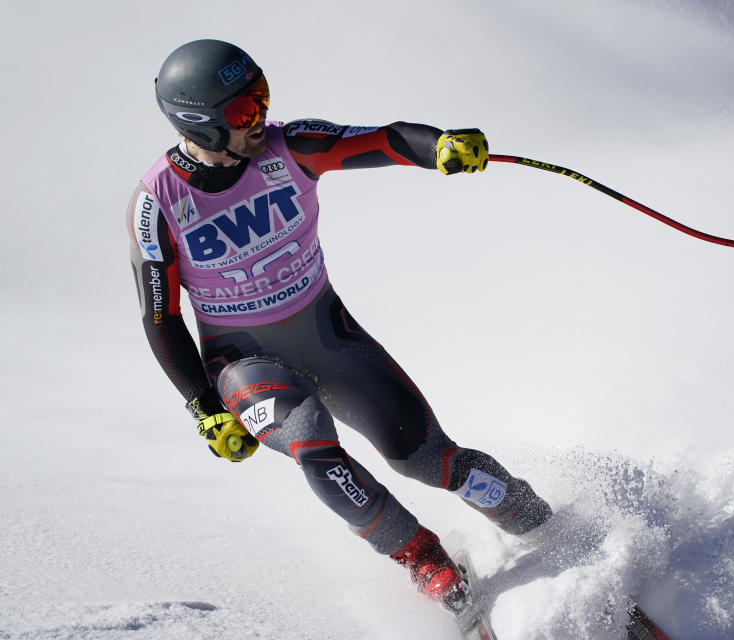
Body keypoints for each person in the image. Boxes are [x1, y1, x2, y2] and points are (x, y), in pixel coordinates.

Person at [126, 39, 552, 614]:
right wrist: (203, 408)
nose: (260, 118)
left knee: (427, 458)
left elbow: (382, 140)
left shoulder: (289, 147)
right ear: (199, 125)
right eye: (243, 112)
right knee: (311, 439)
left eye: (262, 97)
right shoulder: (157, 203)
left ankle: (528, 515)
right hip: (243, 361)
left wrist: (440, 146)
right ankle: (420, 555)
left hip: (327, 333)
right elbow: (161, 317)